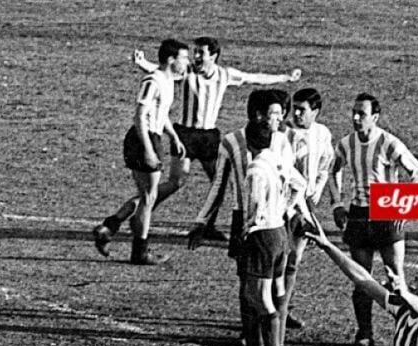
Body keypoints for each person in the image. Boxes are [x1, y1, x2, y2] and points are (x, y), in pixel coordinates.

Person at [94, 37, 301, 253]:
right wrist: (142, 63)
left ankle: (207, 225)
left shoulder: (225, 74)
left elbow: (254, 78)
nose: (197, 57)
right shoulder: (186, 72)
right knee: (175, 183)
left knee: (219, 182)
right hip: (185, 134)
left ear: (213, 56)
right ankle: (132, 217)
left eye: (201, 53)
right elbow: (161, 70)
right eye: (195, 53)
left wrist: (285, 77)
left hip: (209, 137)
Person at [188, 90, 302, 346]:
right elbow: (219, 185)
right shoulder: (231, 142)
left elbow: (296, 182)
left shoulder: (284, 141)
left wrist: (293, 212)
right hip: (245, 220)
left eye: (280, 113)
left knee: (271, 288)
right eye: (272, 113)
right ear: (256, 114)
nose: (278, 119)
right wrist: (203, 221)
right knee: (248, 288)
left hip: (272, 223)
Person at [328, 93, 418, 346]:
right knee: (361, 278)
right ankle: (364, 333)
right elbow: (333, 170)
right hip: (359, 215)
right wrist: (337, 204)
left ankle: (406, 336)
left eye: (361, 113)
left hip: (386, 215)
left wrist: (403, 207)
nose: (355, 117)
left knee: (396, 279)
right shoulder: (346, 143)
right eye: (354, 112)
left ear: (375, 117)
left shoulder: (389, 143)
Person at [95, 39, 190, 265]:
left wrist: (174, 136)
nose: (186, 62)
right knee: (149, 197)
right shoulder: (153, 81)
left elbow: (162, 112)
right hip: (143, 139)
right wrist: (148, 148)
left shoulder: (168, 80)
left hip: (153, 137)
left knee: (149, 194)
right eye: (183, 58)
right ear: (171, 59)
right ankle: (139, 252)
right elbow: (140, 115)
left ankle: (109, 227)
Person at [282, 87, 335, 335]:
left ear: (315, 112)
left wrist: (320, 188)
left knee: (294, 260)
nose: (296, 113)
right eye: (295, 108)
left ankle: (283, 308)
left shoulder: (322, 133)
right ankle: (270, 311)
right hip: (285, 206)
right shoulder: (285, 134)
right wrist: (301, 210)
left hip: (306, 205)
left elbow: (327, 163)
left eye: (302, 110)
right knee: (279, 260)